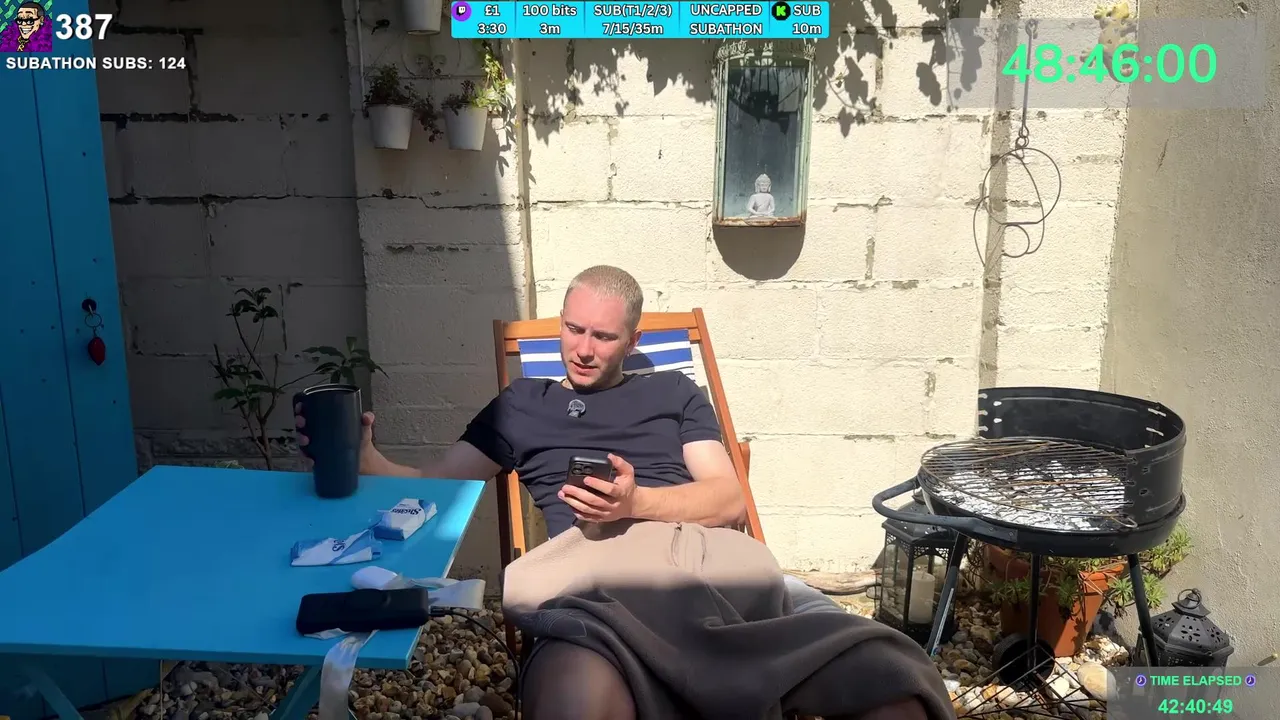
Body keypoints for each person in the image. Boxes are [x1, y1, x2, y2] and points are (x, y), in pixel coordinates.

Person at [296, 265, 949, 720]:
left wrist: (639, 505)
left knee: (895, 690)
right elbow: (439, 485)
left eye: (603, 336)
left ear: (633, 341)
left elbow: (726, 498)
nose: (582, 349)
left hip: (705, 569)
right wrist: (366, 458)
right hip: (595, 590)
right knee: (575, 702)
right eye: (572, 329)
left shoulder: (673, 393)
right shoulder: (523, 403)